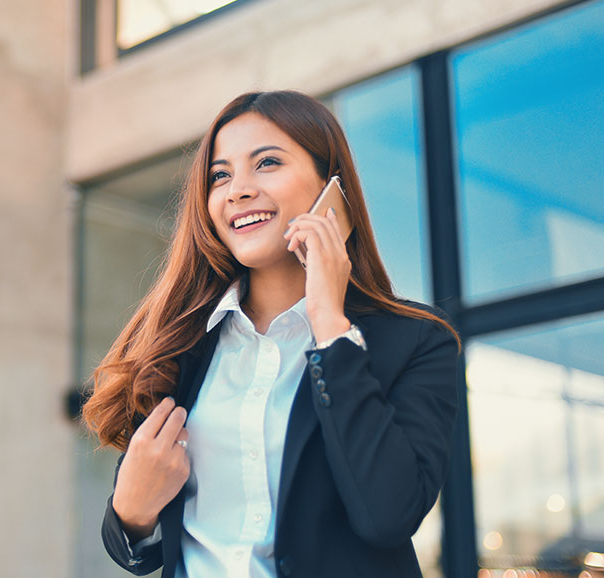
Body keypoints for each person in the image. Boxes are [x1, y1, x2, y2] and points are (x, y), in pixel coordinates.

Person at [81, 90, 462, 578]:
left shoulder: (415, 342)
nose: (237, 190)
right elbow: (133, 544)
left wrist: (330, 328)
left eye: (266, 163)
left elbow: (387, 516)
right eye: (221, 175)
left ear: (332, 187)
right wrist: (131, 511)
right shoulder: (180, 345)